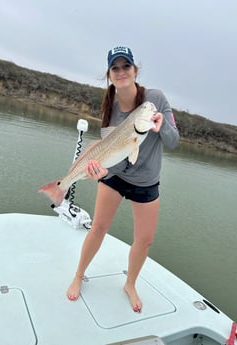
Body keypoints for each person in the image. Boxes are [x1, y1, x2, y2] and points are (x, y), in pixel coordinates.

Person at [66, 46, 179, 312]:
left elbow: (174, 142)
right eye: (115, 68)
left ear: (135, 70)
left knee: (145, 239)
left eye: (126, 66)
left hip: (147, 181)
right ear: (109, 74)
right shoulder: (110, 106)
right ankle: (79, 275)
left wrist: (163, 127)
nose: (121, 72)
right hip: (115, 175)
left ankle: (130, 283)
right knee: (98, 228)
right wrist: (99, 171)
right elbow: (108, 151)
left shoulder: (155, 99)